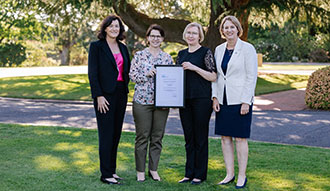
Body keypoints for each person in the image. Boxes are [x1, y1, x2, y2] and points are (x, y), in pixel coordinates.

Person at [212, 15, 258, 189]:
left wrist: (246, 101)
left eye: (232, 27)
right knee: (225, 138)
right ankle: (229, 174)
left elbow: (251, 76)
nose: (229, 30)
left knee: (240, 138)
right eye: (226, 27)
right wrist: (214, 97)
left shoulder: (247, 49)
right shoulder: (218, 49)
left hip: (240, 100)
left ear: (238, 29)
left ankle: (241, 175)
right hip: (223, 100)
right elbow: (216, 76)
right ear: (222, 31)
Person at [88, 14, 130, 185]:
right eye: (111, 26)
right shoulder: (97, 47)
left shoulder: (123, 47)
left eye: (117, 26)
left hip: (121, 94)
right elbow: (93, 73)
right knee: (106, 135)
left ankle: (112, 170)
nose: (114, 29)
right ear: (105, 28)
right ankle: (105, 174)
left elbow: (127, 71)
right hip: (104, 96)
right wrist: (98, 95)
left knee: (116, 134)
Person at [129, 24, 173, 182]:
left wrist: (172, 98)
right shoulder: (139, 56)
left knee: (157, 137)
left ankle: (153, 169)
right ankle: (140, 170)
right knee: (142, 137)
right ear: (147, 38)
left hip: (162, 103)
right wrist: (146, 74)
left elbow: (172, 80)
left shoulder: (167, 58)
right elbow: (132, 75)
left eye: (158, 36)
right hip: (142, 101)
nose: (155, 39)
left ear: (162, 39)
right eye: (152, 36)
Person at [176, 22, 217, 185]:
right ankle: (189, 173)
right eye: (188, 33)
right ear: (185, 35)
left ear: (200, 36)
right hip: (184, 100)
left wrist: (194, 68)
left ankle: (200, 174)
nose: (191, 35)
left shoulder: (206, 52)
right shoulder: (181, 54)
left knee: (200, 138)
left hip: (201, 100)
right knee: (188, 138)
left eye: (194, 33)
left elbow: (213, 76)